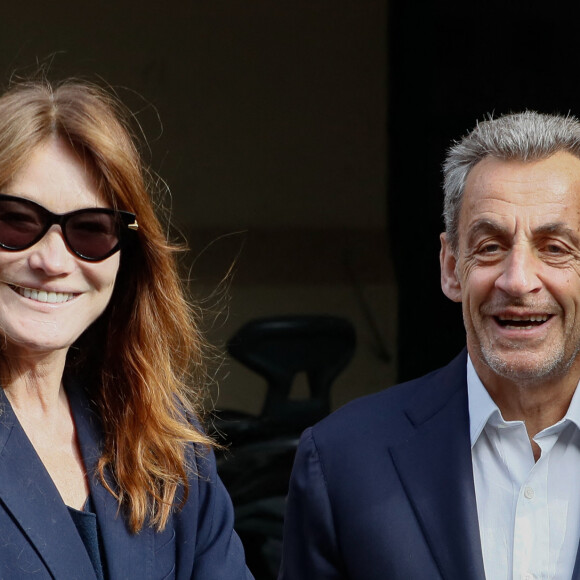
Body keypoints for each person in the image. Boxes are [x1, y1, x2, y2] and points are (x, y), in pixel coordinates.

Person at [279, 111, 580, 580]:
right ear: (449, 267)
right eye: (490, 246)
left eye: (555, 248)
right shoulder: (342, 460)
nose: (518, 280)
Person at [0, 79, 253, 579]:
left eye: (90, 230)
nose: (52, 261)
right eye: (15, 222)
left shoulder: (162, 437)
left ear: (127, 257)